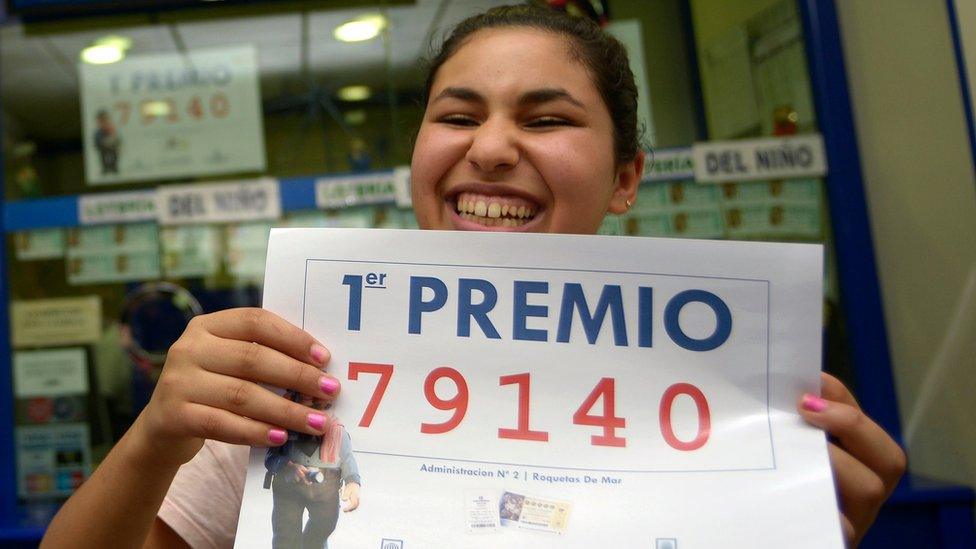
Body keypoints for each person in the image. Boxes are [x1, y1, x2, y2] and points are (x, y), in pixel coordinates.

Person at [41, 5, 906, 549]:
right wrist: (157, 436)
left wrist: (795, 525)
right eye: (457, 114)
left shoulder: (725, 411)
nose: (490, 148)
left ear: (627, 176)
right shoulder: (298, 372)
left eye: (547, 117)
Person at [263, 393, 360, 548]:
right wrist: (288, 466)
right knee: (285, 534)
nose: (314, 409)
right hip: (289, 486)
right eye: (307, 403)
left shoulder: (337, 431)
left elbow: (347, 458)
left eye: (321, 405)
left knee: (323, 527)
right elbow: (270, 458)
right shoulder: (283, 430)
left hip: (326, 487)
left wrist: (353, 482)